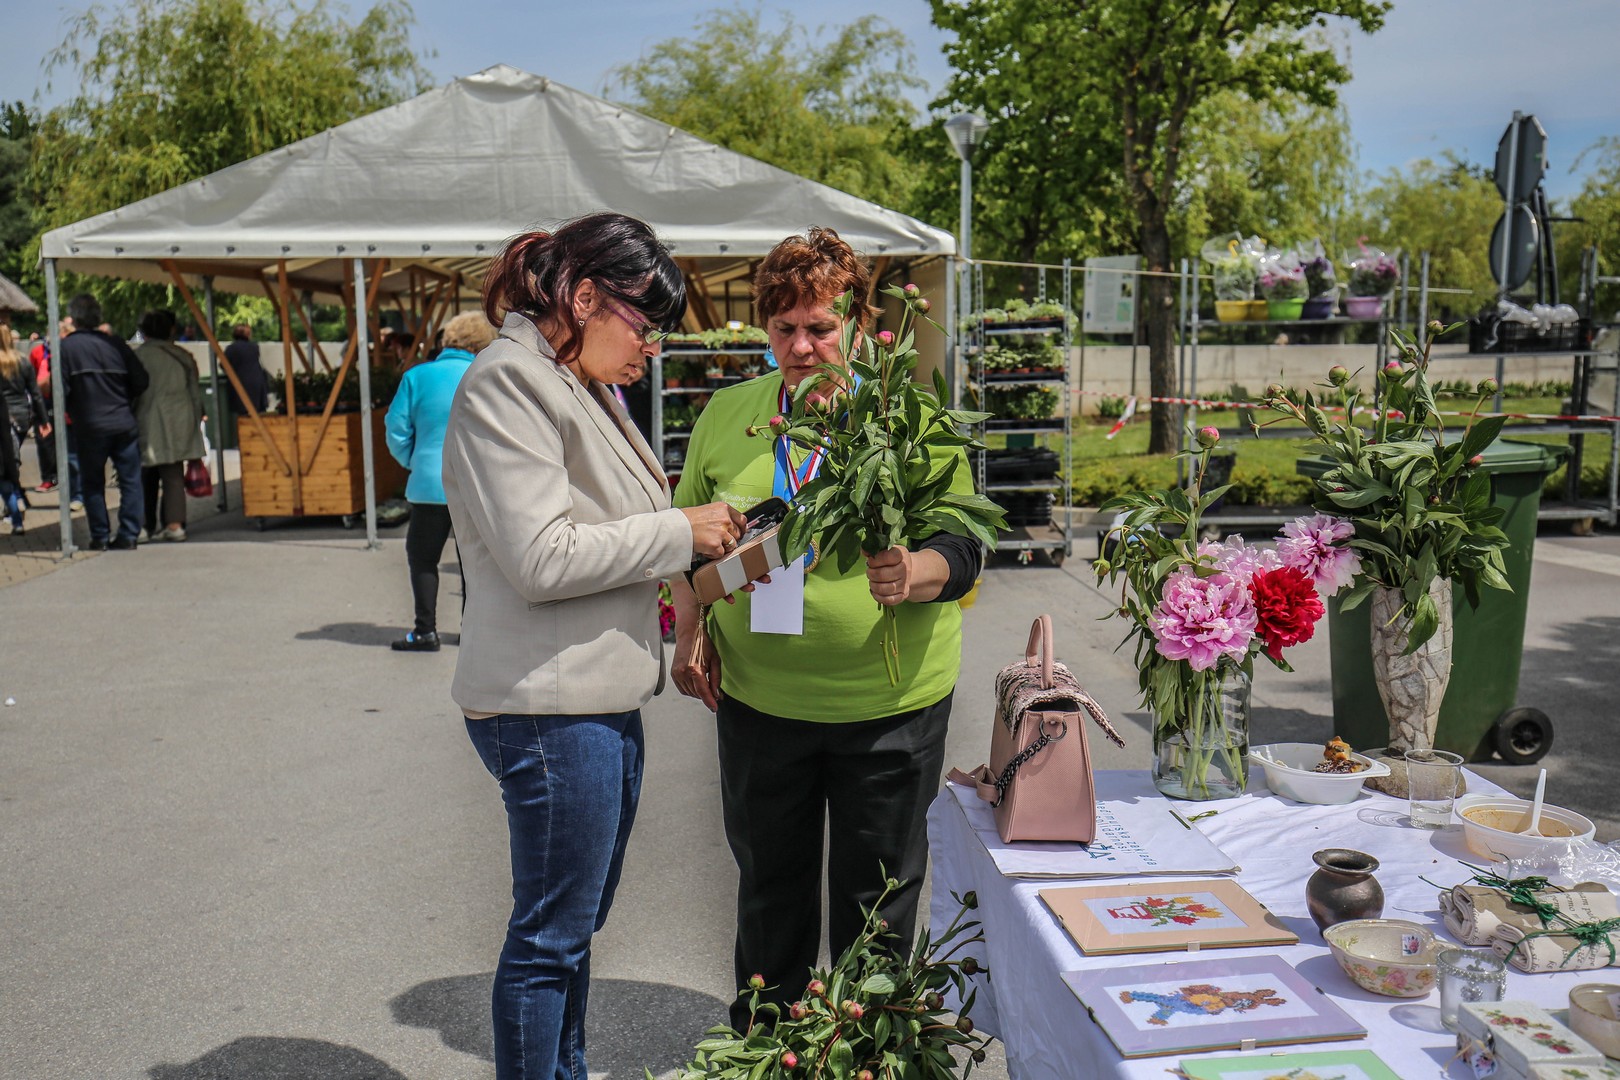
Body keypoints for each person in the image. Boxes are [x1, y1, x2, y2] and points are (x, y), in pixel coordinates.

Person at [441, 212, 747, 1080]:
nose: (649, 348)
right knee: (548, 941)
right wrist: (678, 531)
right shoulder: (510, 383)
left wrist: (693, 564)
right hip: (547, 704)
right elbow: (541, 558)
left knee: (572, 930)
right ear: (583, 297)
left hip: (592, 698)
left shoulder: (570, 381)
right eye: (643, 326)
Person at [668, 226, 982, 1030]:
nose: (801, 347)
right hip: (761, 705)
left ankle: (871, 1047)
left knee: (876, 903)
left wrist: (918, 573)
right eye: (784, 330)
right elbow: (689, 533)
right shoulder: (728, 414)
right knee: (770, 892)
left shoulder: (907, 418)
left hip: (890, 708)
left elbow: (965, 543)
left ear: (858, 322)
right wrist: (690, 621)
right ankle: (772, 1048)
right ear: (764, 328)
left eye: (820, 328)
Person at [385, 310, 493, 651]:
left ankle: (424, 631)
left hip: (429, 484)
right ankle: (472, 632)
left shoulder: (416, 377)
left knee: (422, 557)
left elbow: (395, 428)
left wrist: (413, 460)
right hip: (476, 486)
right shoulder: (487, 376)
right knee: (472, 563)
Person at [57, 295, 148, 550]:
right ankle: (129, 534)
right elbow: (141, 380)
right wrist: (123, 397)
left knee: (93, 482)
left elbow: (60, 390)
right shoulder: (116, 345)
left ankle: (99, 536)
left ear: (73, 319)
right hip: (122, 421)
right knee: (130, 480)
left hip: (89, 425)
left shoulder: (67, 348)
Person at [134, 309, 206, 542]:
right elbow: (195, 394)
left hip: (146, 419)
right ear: (171, 330)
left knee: (146, 473)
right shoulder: (183, 356)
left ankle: (144, 526)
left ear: (144, 332)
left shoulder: (137, 357)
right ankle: (175, 525)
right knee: (174, 473)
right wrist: (195, 422)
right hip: (179, 418)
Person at [0, 324, 45, 534]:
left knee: (5, 462)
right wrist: (43, 420)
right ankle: (16, 499)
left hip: (3, 415)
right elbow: (35, 393)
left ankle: (15, 501)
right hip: (21, 415)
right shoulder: (23, 361)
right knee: (12, 460)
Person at [27, 333, 58, 492]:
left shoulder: (64, 350)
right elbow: (30, 376)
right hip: (42, 402)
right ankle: (48, 477)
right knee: (44, 441)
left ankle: (65, 477)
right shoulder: (37, 352)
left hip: (62, 400)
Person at [222, 323, 269, 421]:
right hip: (257, 384)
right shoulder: (254, 347)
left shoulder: (231, 349)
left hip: (240, 385)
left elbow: (223, 365)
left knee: (243, 415)